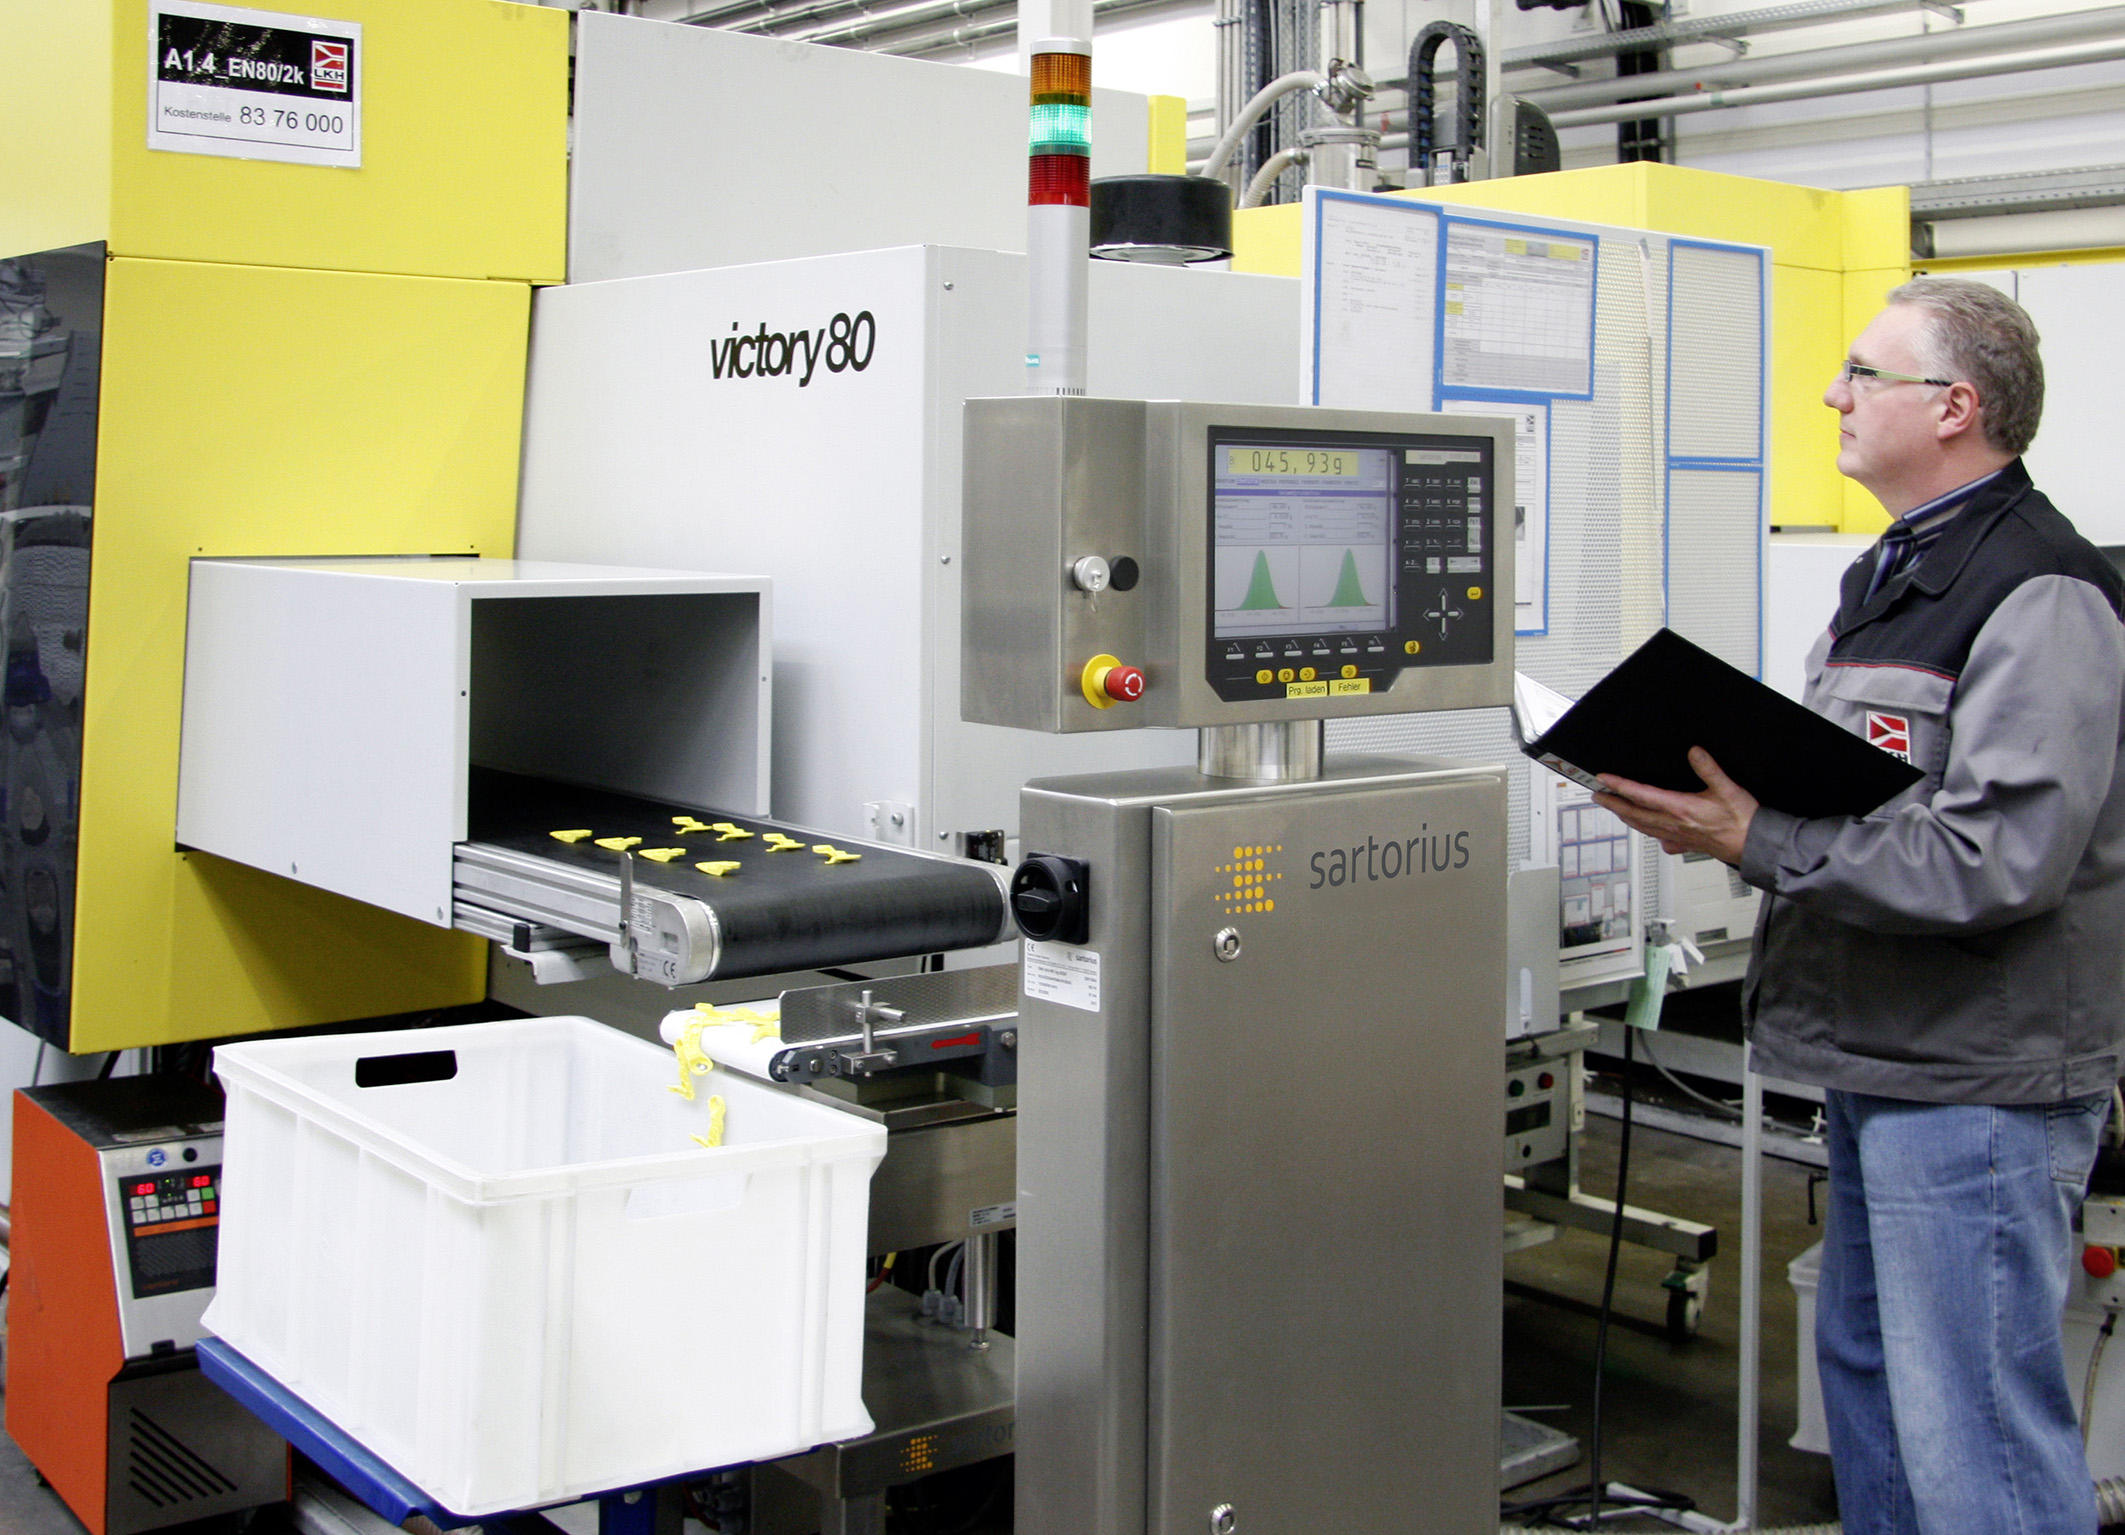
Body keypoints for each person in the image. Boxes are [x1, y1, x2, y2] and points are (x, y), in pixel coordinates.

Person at [1596, 277, 2125, 1534]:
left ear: (1952, 407)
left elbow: (1998, 858)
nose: (1832, 395)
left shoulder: (2041, 591)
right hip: (1882, 1056)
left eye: (1861, 373)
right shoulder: (1891, 574)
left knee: (1974, 1434)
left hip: (1976, 1082)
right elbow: (1861, 795)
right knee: (1874, 1392)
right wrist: (1723, 810)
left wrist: (1762, 837)